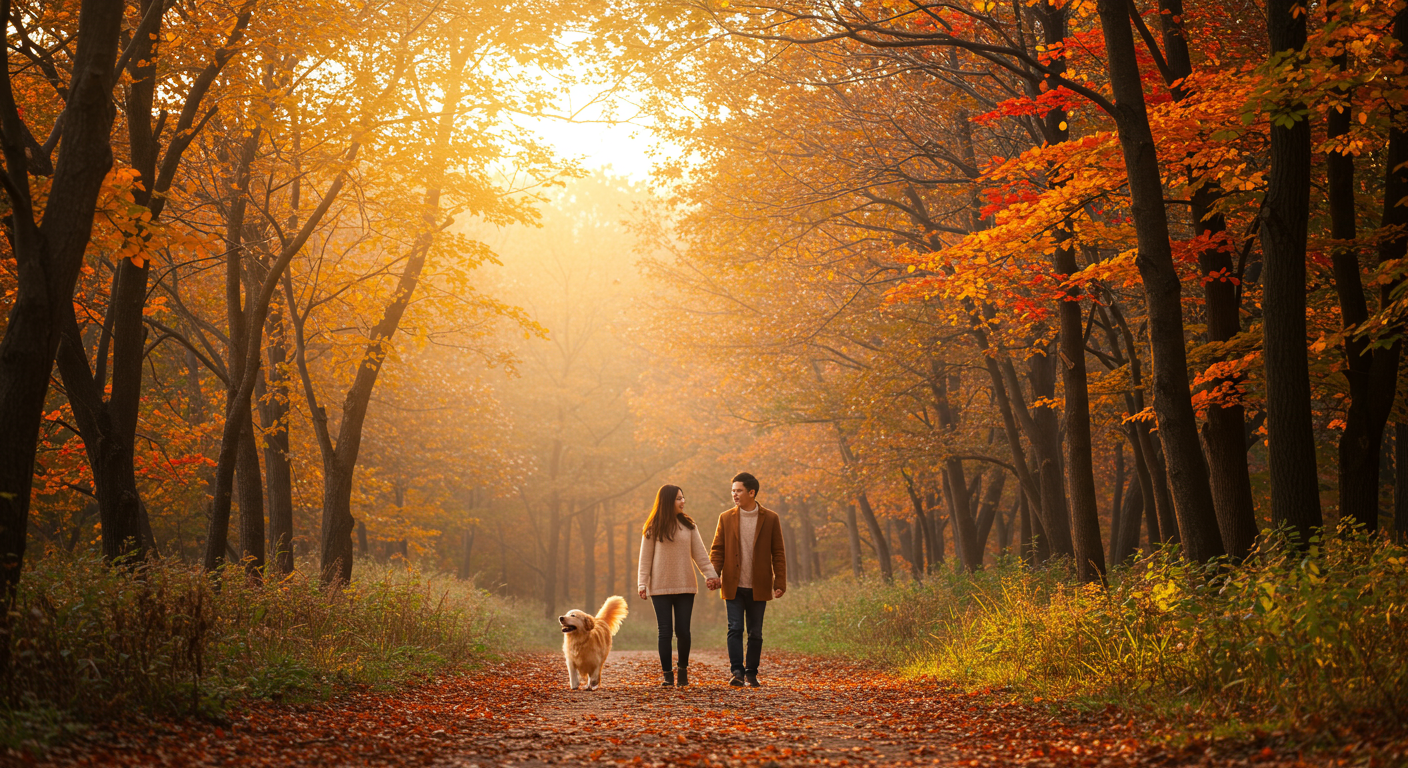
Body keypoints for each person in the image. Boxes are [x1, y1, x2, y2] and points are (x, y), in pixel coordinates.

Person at [708, 471, 786, 688]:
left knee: (755, 632)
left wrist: (780, 582)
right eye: (733, 491)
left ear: (751, 492)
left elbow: (778, 552)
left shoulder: (771, 518)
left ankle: (751, 673)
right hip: (732, 583)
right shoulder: (725, 518)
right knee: (734, 628)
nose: (735, 495)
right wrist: (713, 575)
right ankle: (737, 672)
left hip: (758, 585)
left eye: (739, 491)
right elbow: (717, 550)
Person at [637, 484, 719, 687]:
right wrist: (642, 583)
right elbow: (645, 559)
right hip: (659, 587)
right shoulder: (652, 527)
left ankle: (682, 670)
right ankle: (667, 675)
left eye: (683, 498)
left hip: (685, 586)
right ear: (667, 501)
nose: (683, 502)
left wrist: (711, 575)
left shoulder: (689, 526)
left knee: (683, 630)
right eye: (678, 498)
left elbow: (700, 554)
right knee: (664, 631)